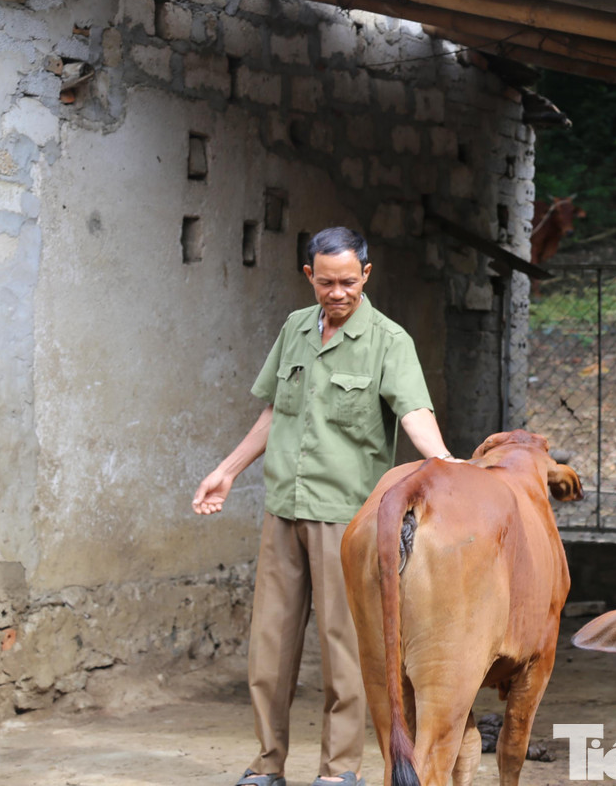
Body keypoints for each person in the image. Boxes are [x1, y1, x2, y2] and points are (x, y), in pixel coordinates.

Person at [192, 227, 452, 786]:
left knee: (345, 651)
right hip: (283, 509)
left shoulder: (389, 340)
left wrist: (447, 467)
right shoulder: (293, 329)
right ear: (310, 277)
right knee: (270, 649)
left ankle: (338, 772)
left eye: (349, 282)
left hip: (347, 519)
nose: (338, 293)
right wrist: (227, 471)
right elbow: (273, 416)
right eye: (327, 282)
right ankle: (267, 766)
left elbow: (413, 413)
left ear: (367, 274)